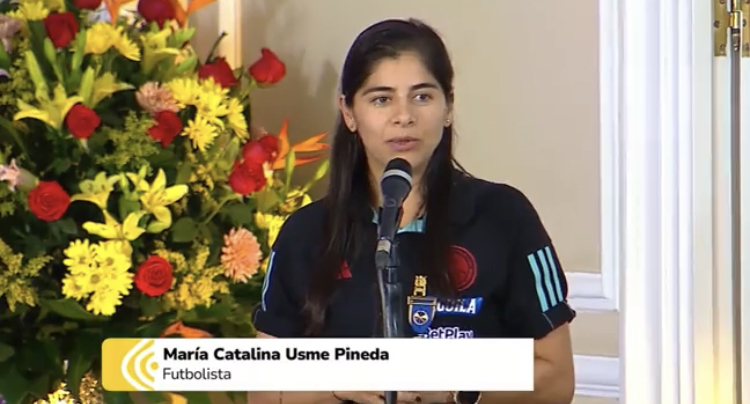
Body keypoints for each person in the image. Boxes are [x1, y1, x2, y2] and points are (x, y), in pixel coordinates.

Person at [249, 18, 576, 404]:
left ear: (448, 106)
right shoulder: (305, 233)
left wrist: (456, 389)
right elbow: (263, 393)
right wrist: (338, 383)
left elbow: (557, 378)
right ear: (349, 112)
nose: (403, 116)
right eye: (381, 99)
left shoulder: (504, 216)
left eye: (422, 96)